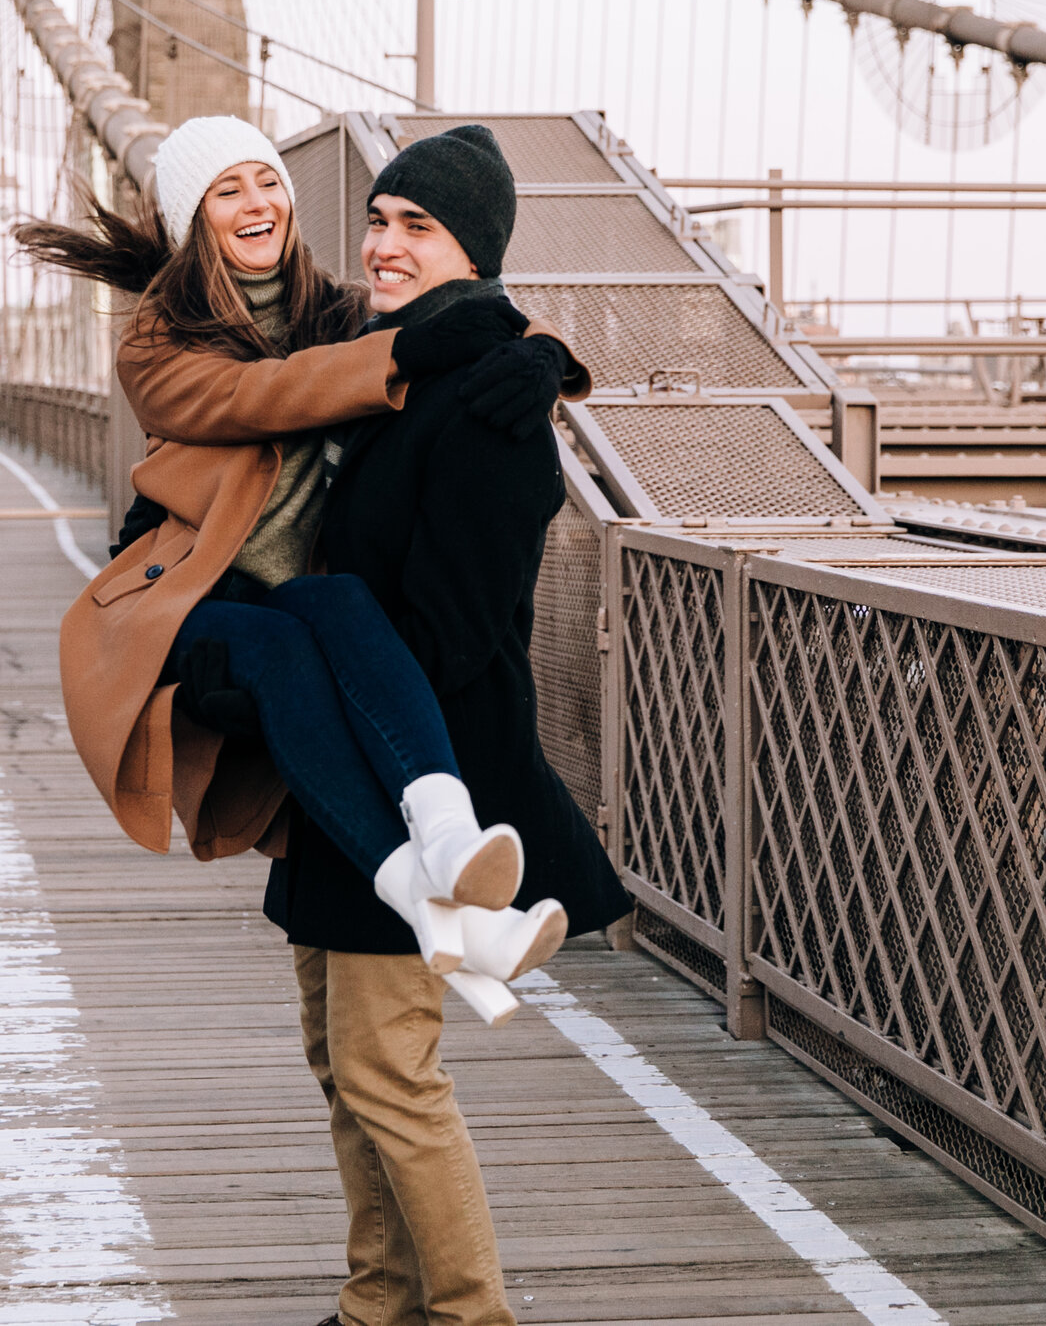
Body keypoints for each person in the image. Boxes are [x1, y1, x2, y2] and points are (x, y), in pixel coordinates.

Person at [19, 116, 585, 1011]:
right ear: (193, 219)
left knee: (341, 602)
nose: (258, 202)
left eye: (268, 179)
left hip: (291, 602)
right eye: (226, 189)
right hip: (184, 598)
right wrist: (414, 349)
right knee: (289, 644)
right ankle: (435, 902)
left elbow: (461, 286)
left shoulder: (331, 310)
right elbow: (268, 394)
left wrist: (544, 353)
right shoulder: (161, 342)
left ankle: (451, 865)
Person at [271, 124, 634, 1326]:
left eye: (415, 226)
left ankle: (472, 1314)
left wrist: (323, 668)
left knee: (390, 1070)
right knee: (343, 1065)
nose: (382, 243)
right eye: (377, 219)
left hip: (421, 782)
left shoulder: (488, 401)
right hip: (346, 774)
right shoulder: (376, 366)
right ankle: (377, 1303)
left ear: (470, 250)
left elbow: (456, 630)